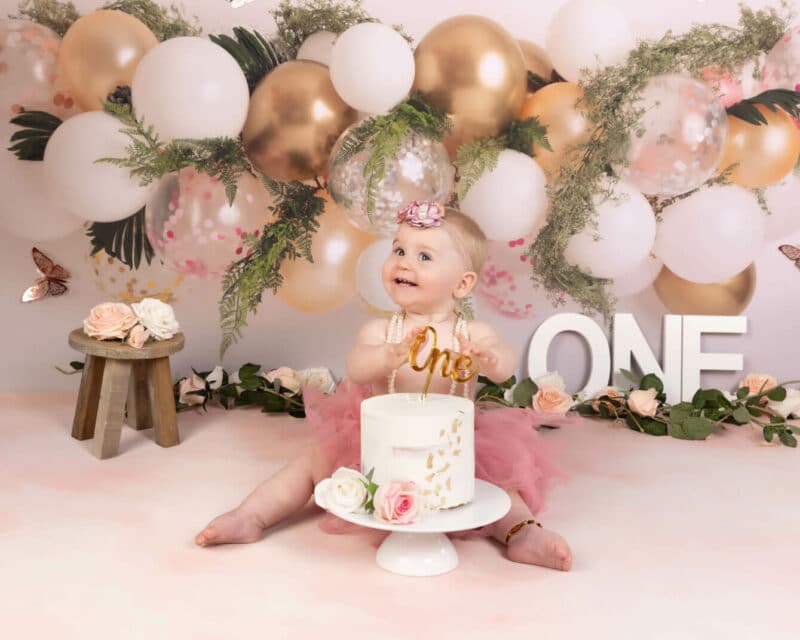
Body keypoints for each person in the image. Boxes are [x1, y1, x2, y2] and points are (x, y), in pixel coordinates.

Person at [195, 201, 573, 571]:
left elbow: (504, 364)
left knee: (500, 487)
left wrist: (490, 358)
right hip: (380, 443)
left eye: (424, 257)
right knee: (311, 463)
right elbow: (356, 368)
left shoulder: (471, 333)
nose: (404, 262)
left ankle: (524, 535)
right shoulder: (381, 331)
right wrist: (385, 357)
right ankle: (252, 515)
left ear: (462, 284)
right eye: (399, 249)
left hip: (453, 447)